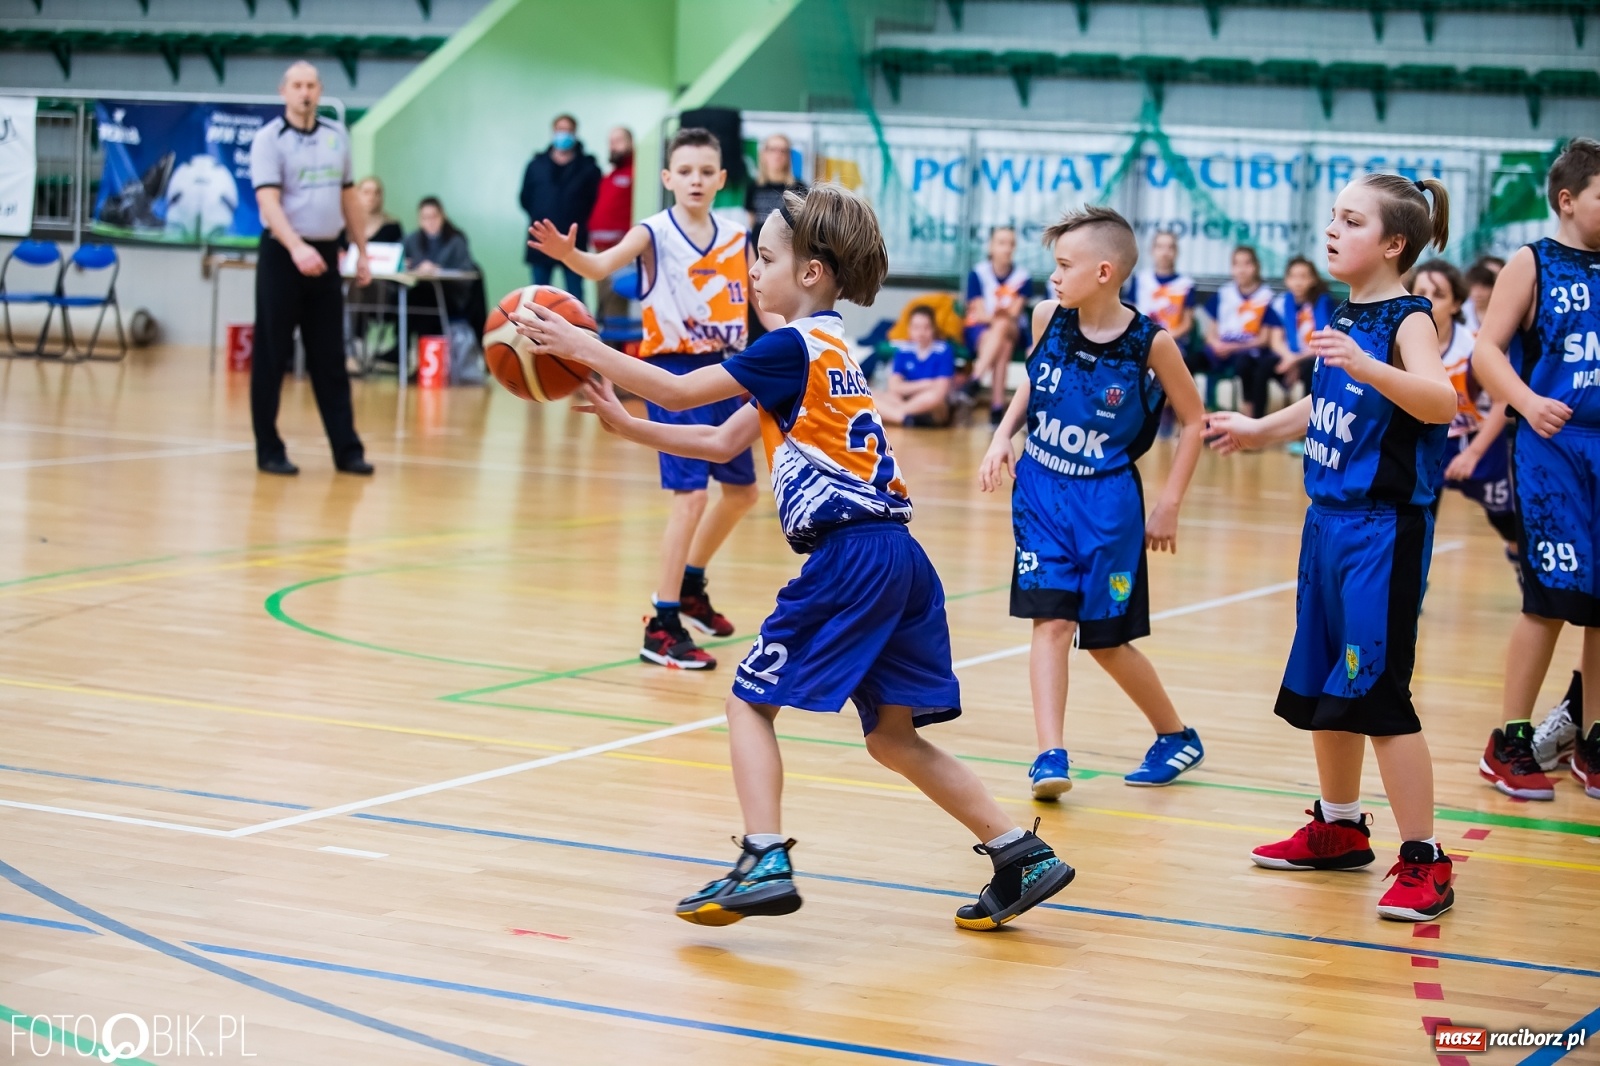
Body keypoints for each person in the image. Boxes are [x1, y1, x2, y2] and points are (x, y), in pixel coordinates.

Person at [511, 182, 1076, 931]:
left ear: (811, 272)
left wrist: (585, 345)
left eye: (765, 256)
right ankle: (1018, 853)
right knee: (892, 737)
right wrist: (629, 427)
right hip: (900, 558)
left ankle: (764, 854)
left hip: (849, 559)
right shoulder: (829, 347)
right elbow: (718, 440)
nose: (751, 267)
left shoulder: (789, 345)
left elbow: (681, 393)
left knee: (748, 700)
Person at [1206, 174, 1458, 922]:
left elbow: (1440, 401)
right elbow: (1330, 400)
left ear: (1392, 243)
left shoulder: (1410, 318)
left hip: (1384, 529)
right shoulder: (1348, 315)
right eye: (1333, 218)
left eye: (1351, 221)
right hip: (1327, 525)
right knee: (1326, 689)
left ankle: (1426, 859)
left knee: (1378, 695)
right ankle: (1340, 828)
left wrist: (1369, 364)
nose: (1332, 230)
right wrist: (1259, 430)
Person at [980, 206, 1208, 798]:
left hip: (1108, 505)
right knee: (1050, 621)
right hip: (1040, 494)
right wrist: (1004, 434)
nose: (1053, 277)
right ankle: (1049, 754)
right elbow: (1035, 377)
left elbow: (1194, 420)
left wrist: (1170, 503)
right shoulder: (1046, 318)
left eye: (1063, 266)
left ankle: (1176, 734)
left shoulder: (1149, 343)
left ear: (1104, 272)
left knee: (1106, 642)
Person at [526, 127, 771, 669]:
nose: (696, 180)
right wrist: (572, 255)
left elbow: (764, 297)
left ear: (722, 179)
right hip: (673, 371)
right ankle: (661, 625)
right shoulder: (653, 232)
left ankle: (689, 583)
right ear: (667, 178)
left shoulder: (737, 235)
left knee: (742, 494)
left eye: (707, 171)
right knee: (690, 498)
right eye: (685, 171)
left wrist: (791, 339)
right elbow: (599, 266)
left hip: (732, 370)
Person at [1468, 138, 1600, 804]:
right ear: (1569, 200)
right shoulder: (1534, 262)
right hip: (1554, 444)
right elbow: (1486, 353)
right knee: (1549, 597)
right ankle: (1511, 737)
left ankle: (1593, 737)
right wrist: (1524, 401)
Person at [248, 60, 372, 477]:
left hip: (326, 255)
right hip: (284, 255)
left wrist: (362, 251)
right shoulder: (269, 140)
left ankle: (347, 450)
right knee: (272, 354)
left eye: (312, 85)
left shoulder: (338, 136)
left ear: (320, 92)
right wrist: (296, 247)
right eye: (298, 85)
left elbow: (349, 198)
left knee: (330, 357)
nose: (305, 92)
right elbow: (268, 202)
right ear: (284, 91)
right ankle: (269, 449)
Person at [1410, 259, 1516, 563]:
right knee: (1418, 520)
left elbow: (1503, 403)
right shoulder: (1404, 344)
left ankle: (1525, 570)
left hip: (1478, 438)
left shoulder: (1473, 348)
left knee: (1506, 521)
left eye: (1438, 294)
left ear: (1457, 303)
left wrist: (1473, 454)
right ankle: (1411, 589)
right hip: (1432, 440)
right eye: (1421, 291)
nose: (1428, 300)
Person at [520, 115, 600, 298]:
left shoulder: (588, 168)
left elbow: (593, 201)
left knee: (575, 295)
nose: (563, 135)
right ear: (553, 132)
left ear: (575, 133)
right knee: (538, 296)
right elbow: (525, 198)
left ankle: (577, 327)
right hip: (541, 238)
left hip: (573, 240)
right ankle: (537, 327)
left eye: (567, 130)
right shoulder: (536, 165)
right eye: (560, 130)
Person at [963, 227, 1034, 425]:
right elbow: (979, 314)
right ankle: (996, 408)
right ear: (991, 246)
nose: (1007, 248)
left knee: (1003, 326)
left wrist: (998, 317)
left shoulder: (1023, 277)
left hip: (1013, 330)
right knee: (1003, 345)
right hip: (981, 332)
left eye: (1011, 244)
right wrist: (998, 317)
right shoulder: (977, 274)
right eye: (1002, 243)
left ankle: (976, 379)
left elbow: (1014, 314)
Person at [1202, 246, 1274, 416]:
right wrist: (1216, 344)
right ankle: (1198, 413)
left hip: (1249, 353)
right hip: (1222, 350)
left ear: (1256, 266)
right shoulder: (1224, 294)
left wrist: (1233, 347)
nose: (1241, 269)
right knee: (1194, 360)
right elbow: (1210, 332)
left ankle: (1249, 414)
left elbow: (1265, 339)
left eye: (1247, 263)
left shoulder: (1266, 296)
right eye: (1236, 264)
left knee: (1246, 365)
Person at [403, 197, 482, 341]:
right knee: (408, 299)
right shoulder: (412, 240)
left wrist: (438, 269)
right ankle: (403, 347)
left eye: (434, 216)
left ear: (442, 216)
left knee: (420, 300)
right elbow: (399, 257)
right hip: (422, 292)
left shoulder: (456, 240)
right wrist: (407, 265)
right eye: (425, 217)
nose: (430, 222)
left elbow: (466, 270)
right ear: (419, 220)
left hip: (450, 296)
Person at [1267, 256, 1336, 400]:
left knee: (1311, 369)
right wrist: (1289, 358)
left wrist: (1295, 360)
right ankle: (1256, 417)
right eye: (1293, 277)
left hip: (1313, 355)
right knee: (1262, 367)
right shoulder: (1279, 304)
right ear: (1286, 280)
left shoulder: (1324, 304)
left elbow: (1326, 342)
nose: (1298, 282)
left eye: (1303, 277)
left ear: (1313, 280)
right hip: (1287, 356)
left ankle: (1309, 417)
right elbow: (1275, 341)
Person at [876, 305, 956, 427]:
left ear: (933, 328)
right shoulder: (904, 350)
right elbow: (894, 387)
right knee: (870, 395)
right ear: (909, 329)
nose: (921, 333)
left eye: (926, 327)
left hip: (928, 405)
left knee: (934, 398)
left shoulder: (943, 350)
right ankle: (904, 418)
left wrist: (907, 388)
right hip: (907, 399)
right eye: (916, 328)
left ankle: (895, 415)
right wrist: (927, 383)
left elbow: (940, 391)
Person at [589, 127, 635, 323]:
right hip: (599, 249)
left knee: (615, 306)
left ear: (630, 143)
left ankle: (613, 350)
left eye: (618, 141)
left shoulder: (636, 173)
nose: (613, 146)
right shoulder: (609, 176)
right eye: (611, 142)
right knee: (603, 305)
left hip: (620, 249)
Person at [1124, 231, 1196, 342]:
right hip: (1141, 340)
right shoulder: (1140, 279)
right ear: (1152, 250)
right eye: (1160, 247)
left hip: (1173, 343)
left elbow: (1187, 324)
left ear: (1176, 252)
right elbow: (1129, 315)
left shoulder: (1186, 284)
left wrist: (1164, 339)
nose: (1165, 252)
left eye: (1170, 247)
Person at [1461, 255, 1505, 333]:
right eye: (1473, 286)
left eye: (1484, 286)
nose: (1477, 293)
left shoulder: (1506, 310)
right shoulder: (1462, 310)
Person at [352, 176, 402, 243]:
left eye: (377, 193)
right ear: (357, 195)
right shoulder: (346, 227)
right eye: (366, 192)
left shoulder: (392, 227)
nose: (371, 197)